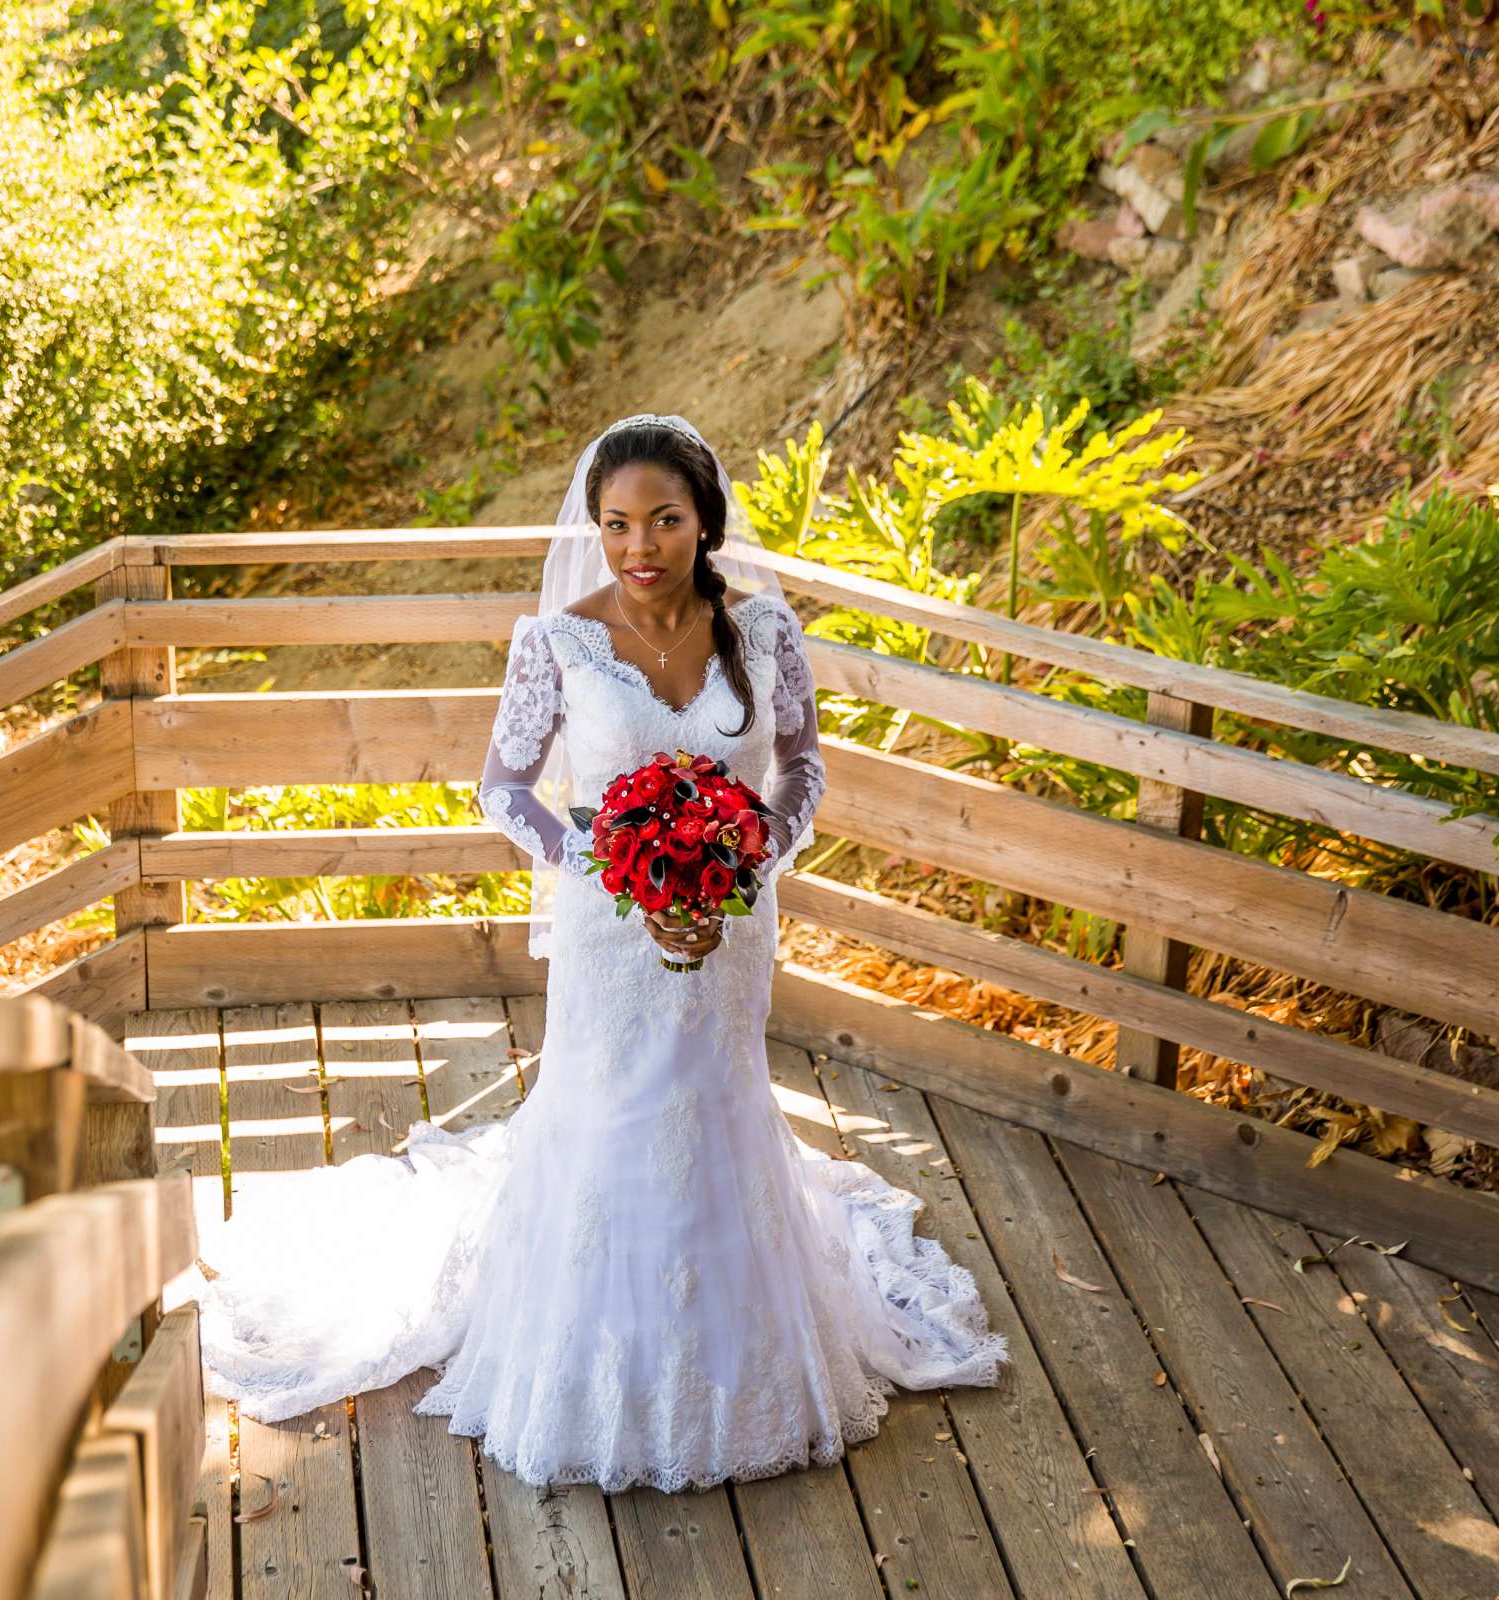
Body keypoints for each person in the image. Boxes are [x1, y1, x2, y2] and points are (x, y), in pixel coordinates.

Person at [193, 412, 1008, 1494]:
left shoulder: (765, 634)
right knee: (614, 1113)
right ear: (596, 526)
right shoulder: (559, 640)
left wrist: (749, 857)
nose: (639, 545)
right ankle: (592, 1371)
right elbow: (505, 789)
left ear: (704, 521)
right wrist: (613, 867)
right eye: (618, 523)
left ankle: (742, 1362)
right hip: (609, 932)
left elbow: (802, 767)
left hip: (732, 920)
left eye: (665, 519)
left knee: (716, 1106)